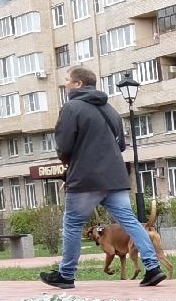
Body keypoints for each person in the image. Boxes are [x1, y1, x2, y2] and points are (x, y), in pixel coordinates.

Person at [40, 66, 165, 289]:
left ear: (78, 84)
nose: (65, 84)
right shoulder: (110, 110)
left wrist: (70, 162)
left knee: (72, 224)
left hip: (85, 178)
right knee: (130, 221)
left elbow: (64, 145)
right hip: (115, 176)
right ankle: (153, 268)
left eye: (68, 80)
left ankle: (66, 275)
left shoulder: (71, 108)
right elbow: (121, 145)